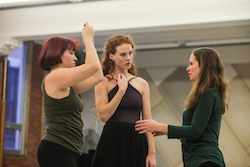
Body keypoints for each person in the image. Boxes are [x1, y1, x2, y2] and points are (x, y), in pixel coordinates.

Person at [135, 47, 229, 167]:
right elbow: (199, 134)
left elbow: (195, 131)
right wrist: (164, 131)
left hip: (205, 161)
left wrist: (160, 127)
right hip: (198, 160)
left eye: (191, 64)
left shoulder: (208, 94)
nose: (187, 68)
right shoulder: (206, 94)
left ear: (203, 66)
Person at [37, 22, 103, 167]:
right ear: (57, 54)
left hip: (69, 149)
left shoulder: (67, 84)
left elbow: (98, 76)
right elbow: (93, 67)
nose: (75, 58)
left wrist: (90, 43)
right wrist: (86, 39)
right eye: (71, 53)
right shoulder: (54, 77)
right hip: (57, 148)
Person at [91, 34, 156, 167]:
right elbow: (103, 116)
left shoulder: (141, 84)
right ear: (112, 56)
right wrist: (121, 91)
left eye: (130, 53)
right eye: (123, 54)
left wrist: (152, 153)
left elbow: (147, 120)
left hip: (136, 141)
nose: (128, 58)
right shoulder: (103, 82)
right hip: (112, 140)